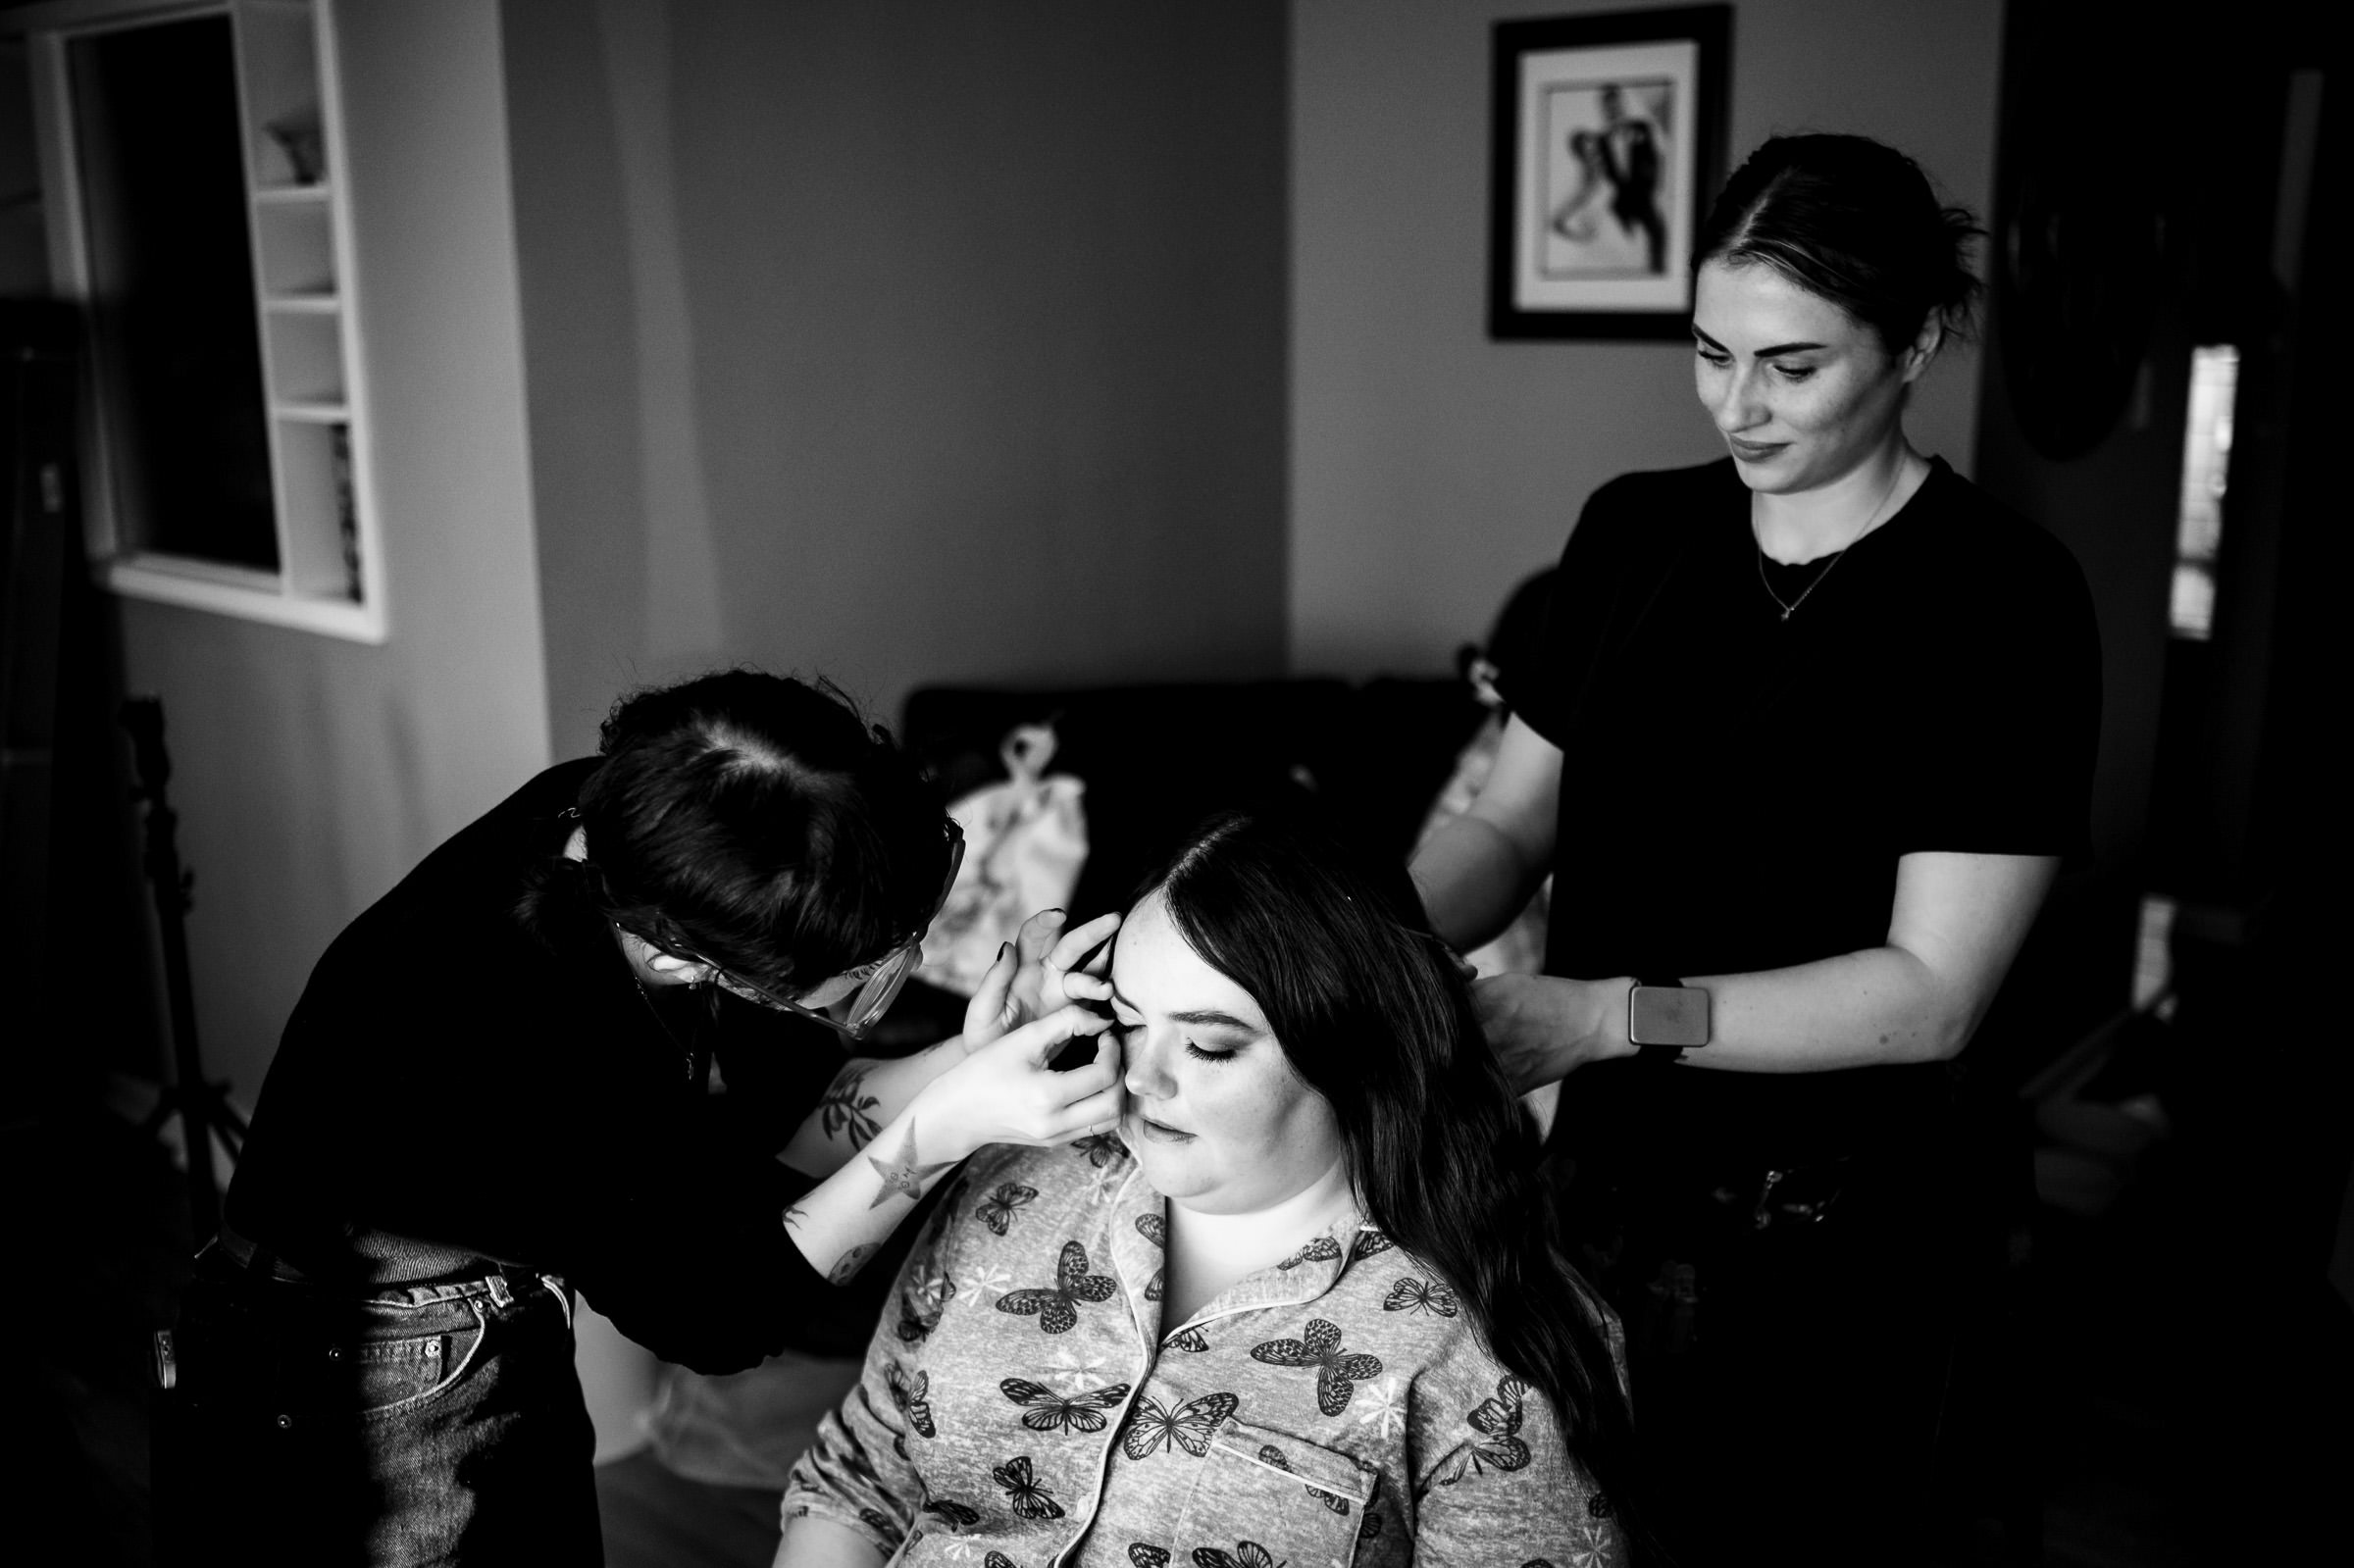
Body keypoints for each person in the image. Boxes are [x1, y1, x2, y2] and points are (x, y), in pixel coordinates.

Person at [1411, 133, 2100, 1566]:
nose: (1738, 404)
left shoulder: (2006, 600)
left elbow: (1929, 994)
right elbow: (1511, 820)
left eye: (1792, 365)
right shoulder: (1632, 534)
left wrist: (1602, 1015)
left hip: (1835, 1243)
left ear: (1915, 341)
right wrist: (1356, 935)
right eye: (1711, 352)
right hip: (1597, 1200)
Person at [155, 670, 1127, 1566]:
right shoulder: (512, 1033)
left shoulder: (643, 830)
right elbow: (716, 1311)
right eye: (863, 977)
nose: (889, 979)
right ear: (682, 960)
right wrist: (945, 1128)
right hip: (361, 1368)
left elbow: (778, 1119)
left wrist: (972, 1057)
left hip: (484, 1308)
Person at [776, 811, 1642, 1568]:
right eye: (1128, 1021)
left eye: (1210, 1046)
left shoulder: (1488, 1345)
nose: (1141, 1077)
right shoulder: (1018, 1182)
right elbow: (858, 1482)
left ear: (1357, 1052)